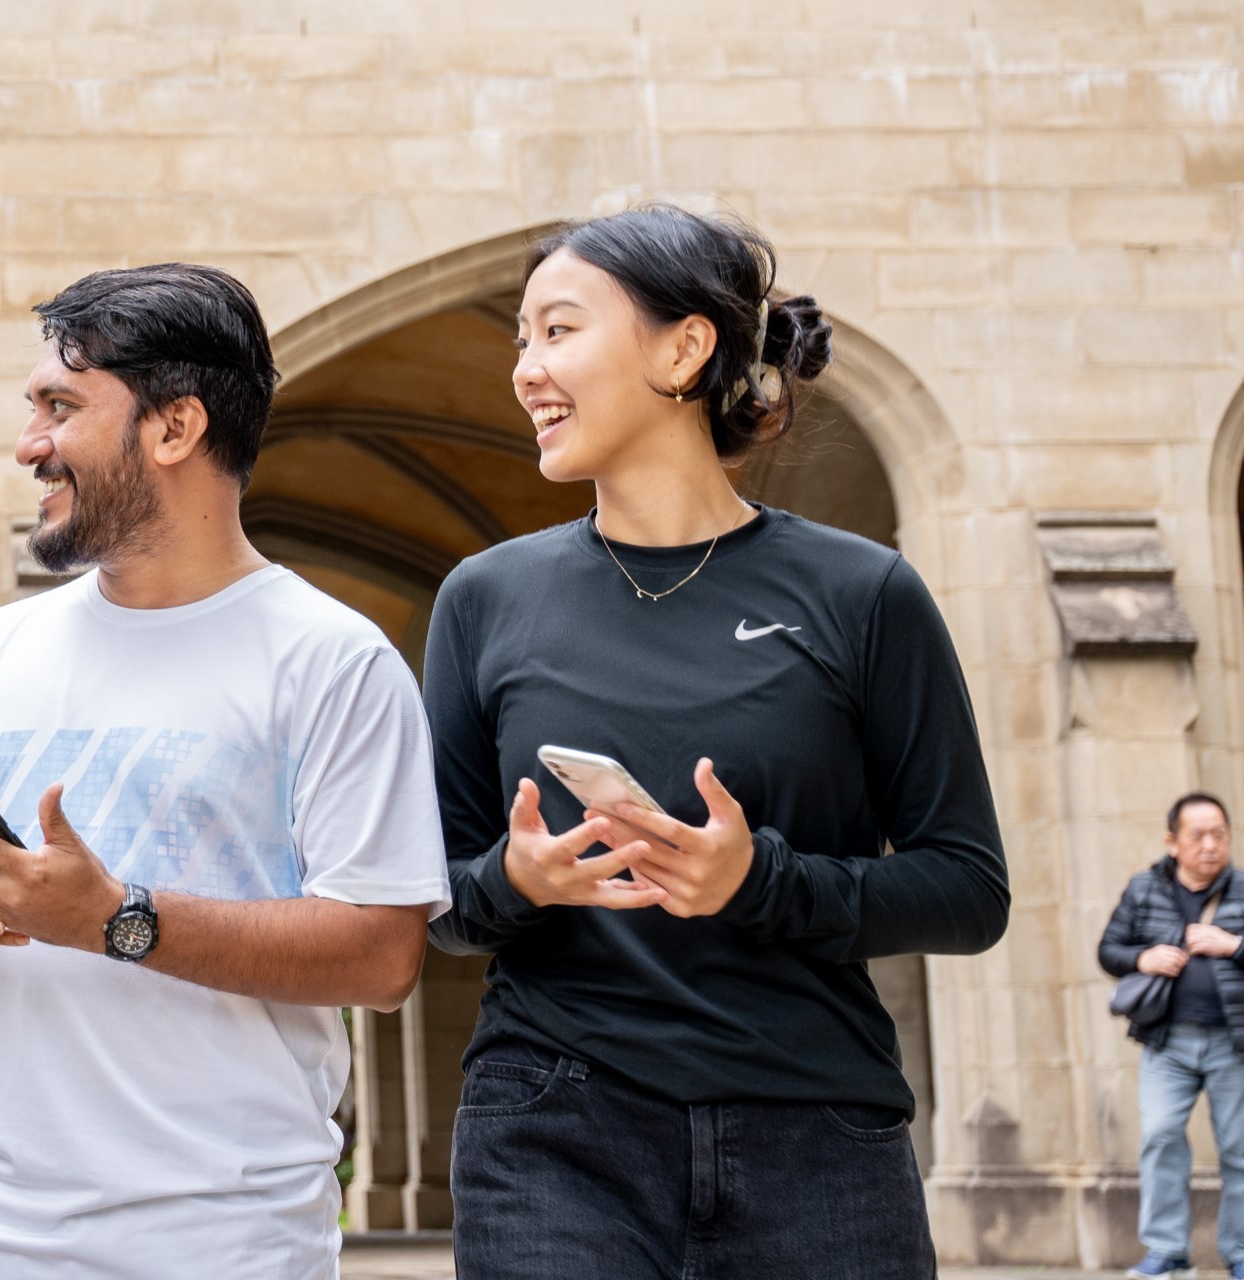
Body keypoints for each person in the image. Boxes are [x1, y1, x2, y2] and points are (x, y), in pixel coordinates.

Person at [426, 205, 1009, 1278]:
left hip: (818, 1138)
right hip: (552, 1127)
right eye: (521, 340)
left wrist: (759, 879)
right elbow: (432, 898)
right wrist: (517, 877)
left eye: (557, 331)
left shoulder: (862, 591)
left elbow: (969, 888)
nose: (525, 370)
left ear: (684, 348)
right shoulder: (483, 600)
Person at [0, 264, 446, 1278]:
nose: (28, 445)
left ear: (175, 428)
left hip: (215, 1240)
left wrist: (111, 915)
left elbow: (381, 952)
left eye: (61, 408)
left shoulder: (333, 660)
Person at [1103, 792, 1244, 1280]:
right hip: (1167, 1043)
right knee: (1160, 1136)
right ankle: (1168, 1252)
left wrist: (1238, 945)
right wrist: (1143, 959)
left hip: (1238, 1043)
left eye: (1219, 834)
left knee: (1242, 1153)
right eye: (1197, 835)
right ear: (1173, 842)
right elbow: (1109, 950)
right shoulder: (1143, 889)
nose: (1210, 845)